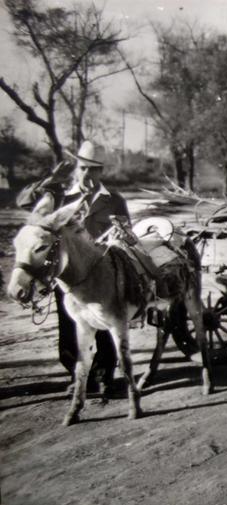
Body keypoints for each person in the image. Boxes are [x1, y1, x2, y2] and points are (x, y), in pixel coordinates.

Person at [17, 140, 129, 397]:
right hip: (67, 274)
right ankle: (79, 377)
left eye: (94, 169)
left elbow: (126, 232)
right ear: (76, 169)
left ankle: (104, 376)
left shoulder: (114, 200)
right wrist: (49, 181)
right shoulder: (60, 197)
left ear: (102, 171)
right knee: (69, 329)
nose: (88, 174)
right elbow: (24, 203)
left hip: (102, 275)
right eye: (83, 168)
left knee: (105, 327)